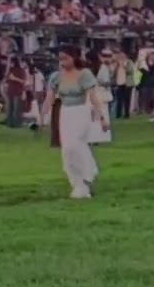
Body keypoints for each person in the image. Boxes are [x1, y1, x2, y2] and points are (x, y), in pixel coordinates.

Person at [42, 46, 109, 200]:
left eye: (65, 58)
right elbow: (49, 97)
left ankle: (88, 174)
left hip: (81, 112)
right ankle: (78, 184)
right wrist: (43, 115)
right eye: (60, 59)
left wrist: (102, 118)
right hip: (65, 113)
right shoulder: (57, 76)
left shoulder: (84, 74)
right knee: (67, 150)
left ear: (74, 58)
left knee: (75, 144)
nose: (62, 62)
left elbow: (93, 97)